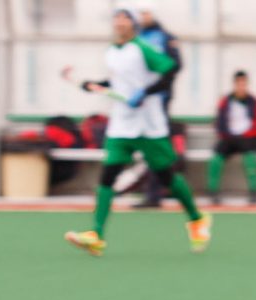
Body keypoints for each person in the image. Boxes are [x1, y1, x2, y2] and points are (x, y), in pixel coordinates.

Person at [64, 8, 210, 257]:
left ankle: (197, 219)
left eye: (125, 18)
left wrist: (146, 93)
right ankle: (96, 235)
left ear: (132, 24)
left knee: (167, 179)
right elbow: (119, 82)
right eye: (116, 17)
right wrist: (96, 84)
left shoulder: (142, 49)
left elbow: (171, 69)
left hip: (148, 124)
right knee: (108, 176)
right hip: (121, 124)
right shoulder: (111, 52)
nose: (120, 22)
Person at [133, 3, 183, 209]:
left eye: (146, 12)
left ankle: (158, 191)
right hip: (137, 103)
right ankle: (151, 190)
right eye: (140, 13)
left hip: (157, 101)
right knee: (143, 147)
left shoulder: (165, 37)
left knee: (157, 147)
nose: (143, 17)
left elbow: (174, 66)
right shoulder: (135, 38)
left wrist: (154, 90)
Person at [208, 70, 256, 205]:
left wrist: (250, 134)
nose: (241, 86)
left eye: (244, 83)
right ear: (234, 84)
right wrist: (225, 134)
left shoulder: (254, 102)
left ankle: (254, 191)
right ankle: (213, 191)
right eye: (239, 83)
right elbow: (219, 122)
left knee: (250, 157)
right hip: (229, 137)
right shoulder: (226, 101)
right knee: (216, 157)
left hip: (248, 138)